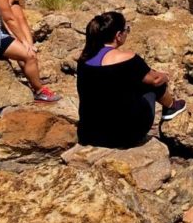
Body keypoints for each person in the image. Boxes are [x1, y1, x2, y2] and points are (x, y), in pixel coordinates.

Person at [76, 12, 186, 148]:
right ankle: (171, 106)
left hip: (90, 134)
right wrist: (165, 76)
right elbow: (156, 80)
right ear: (118, 35)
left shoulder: (84, 58)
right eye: (126, 29)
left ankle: (170, 106)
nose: (127, 32)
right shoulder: (128, 59)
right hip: (125, 135)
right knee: (150, 82)